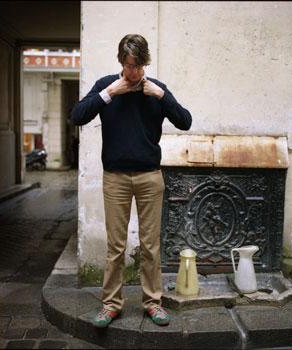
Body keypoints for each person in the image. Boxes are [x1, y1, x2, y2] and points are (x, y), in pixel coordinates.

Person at [71, 34, 192, 327]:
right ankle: (111, 304)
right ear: (121, 63)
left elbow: (185, 121)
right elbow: (76, 116)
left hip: (150, 177)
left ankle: (153, 303)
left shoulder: (156, 90)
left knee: (151, 246)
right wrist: (109, 93)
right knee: (116, 246)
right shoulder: (106, 86)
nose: (132, 72)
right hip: (115, 178)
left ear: (144, 63)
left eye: (137, 66)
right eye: (127, 66)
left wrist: (163, 96)